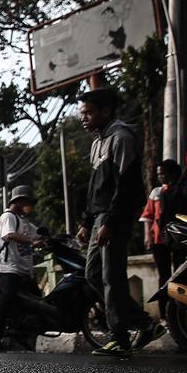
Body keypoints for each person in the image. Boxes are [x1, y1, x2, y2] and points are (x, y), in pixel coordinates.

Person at [76, 88, 167, 357]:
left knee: (111, 276)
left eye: (89, 113)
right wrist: (86, 221)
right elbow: (96, 188)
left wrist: (111, 222)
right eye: (83, 114)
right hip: (100, 217)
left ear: (106, 111)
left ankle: (119, 338)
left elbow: (126, 186)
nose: (84, 119)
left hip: (114, 216)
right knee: (93, 274)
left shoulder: (121, 137)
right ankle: (143, 323)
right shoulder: (97, 143)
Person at [0, 186, 44, 352]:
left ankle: (22, 334)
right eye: (27, 202)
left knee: (37, 300)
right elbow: (9, 235)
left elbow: (38, 235)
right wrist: (32, 242)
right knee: (8, 296)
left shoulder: (25, 222)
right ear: (18, 201)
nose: (30, 206)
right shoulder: (8, 217)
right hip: (8, 268)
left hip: (25, 269)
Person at [141, 158, 187, 318]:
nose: (160, 177)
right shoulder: (156, 193)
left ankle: (181, 314)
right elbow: (148, 216)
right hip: (159, 239)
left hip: (179, 239)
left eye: (163, 174)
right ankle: (164, 314)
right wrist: (147, 236)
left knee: (180, 275)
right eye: (158, 174)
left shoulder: (183, 191)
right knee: (163, 276)